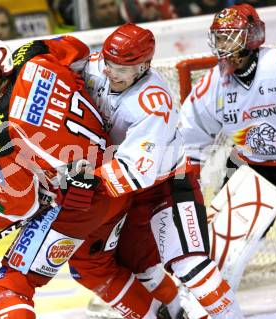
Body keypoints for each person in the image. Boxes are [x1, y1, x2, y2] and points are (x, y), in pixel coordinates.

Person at [0, 35, 185, 319]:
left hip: (79, 201)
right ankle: (171, 312)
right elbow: (79, 50)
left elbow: (16, 207)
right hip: (114, 184)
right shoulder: (33, 53)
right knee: (90, 266)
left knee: (12, 284)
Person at [75, 23, 244, 319]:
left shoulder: (152, 103)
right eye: (109, 63)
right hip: (127, 194)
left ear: (144, 66)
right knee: (137, 264)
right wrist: (43, 52)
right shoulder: (98, 66)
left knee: (190, 266)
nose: (110, 73)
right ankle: (177, 314)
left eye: (122, 68)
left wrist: (85, 181)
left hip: (167, 187)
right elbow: (66, 59)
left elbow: (135, 172)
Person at [178, 1, 276, 300]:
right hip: (253, 169)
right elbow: (189, 137)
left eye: (231, 37)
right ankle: (200, 309)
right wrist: (186, 189)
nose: (224, 45)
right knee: (219, 251)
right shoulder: (213, 84)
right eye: (220, 38)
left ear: (252, 36)